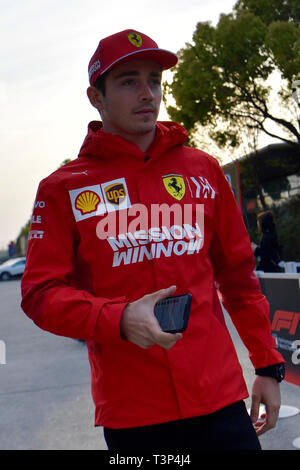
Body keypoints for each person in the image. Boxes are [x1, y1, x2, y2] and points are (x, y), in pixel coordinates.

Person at [21, 29, 285, 451]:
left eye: (154, 80)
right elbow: (39, 293)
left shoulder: (203, 170)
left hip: (219, 400)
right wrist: (118, 319)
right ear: (97, 96)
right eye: (129, 81)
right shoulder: (62, 189)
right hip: (135, 418)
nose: (147, 93)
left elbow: (238, 279)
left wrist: (268, 366)